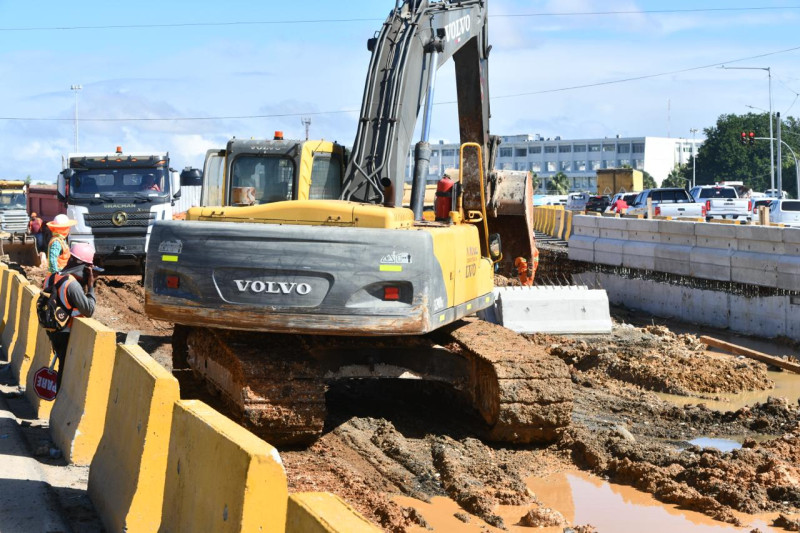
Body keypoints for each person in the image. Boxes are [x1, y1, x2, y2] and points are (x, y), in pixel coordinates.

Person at [42, 241, 102, 391]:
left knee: (63, 368)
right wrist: (91, 286)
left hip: (52, 330)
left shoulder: (51, 277)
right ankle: (59, 399)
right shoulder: (72, 285)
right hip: (65, 333)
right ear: (85, 267)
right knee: (64, 372)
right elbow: (89, 310)